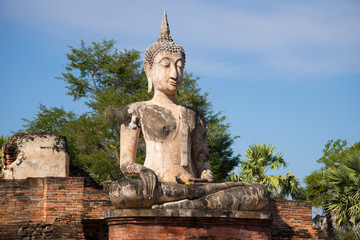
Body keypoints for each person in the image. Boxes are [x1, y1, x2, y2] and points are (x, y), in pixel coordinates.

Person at [110, 12, 269, 210]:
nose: (174, 73)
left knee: (258, 193)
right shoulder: (136, 110)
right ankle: (195, 203)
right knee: (121, 191)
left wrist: (205, 177)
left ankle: (191, 200)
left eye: (179, 66)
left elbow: (204, 167)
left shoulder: (195, 115)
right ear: (148, 70)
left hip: (192, 187)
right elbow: (125, 164)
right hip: (157, 187)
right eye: (166, 65)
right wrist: (143, 170)